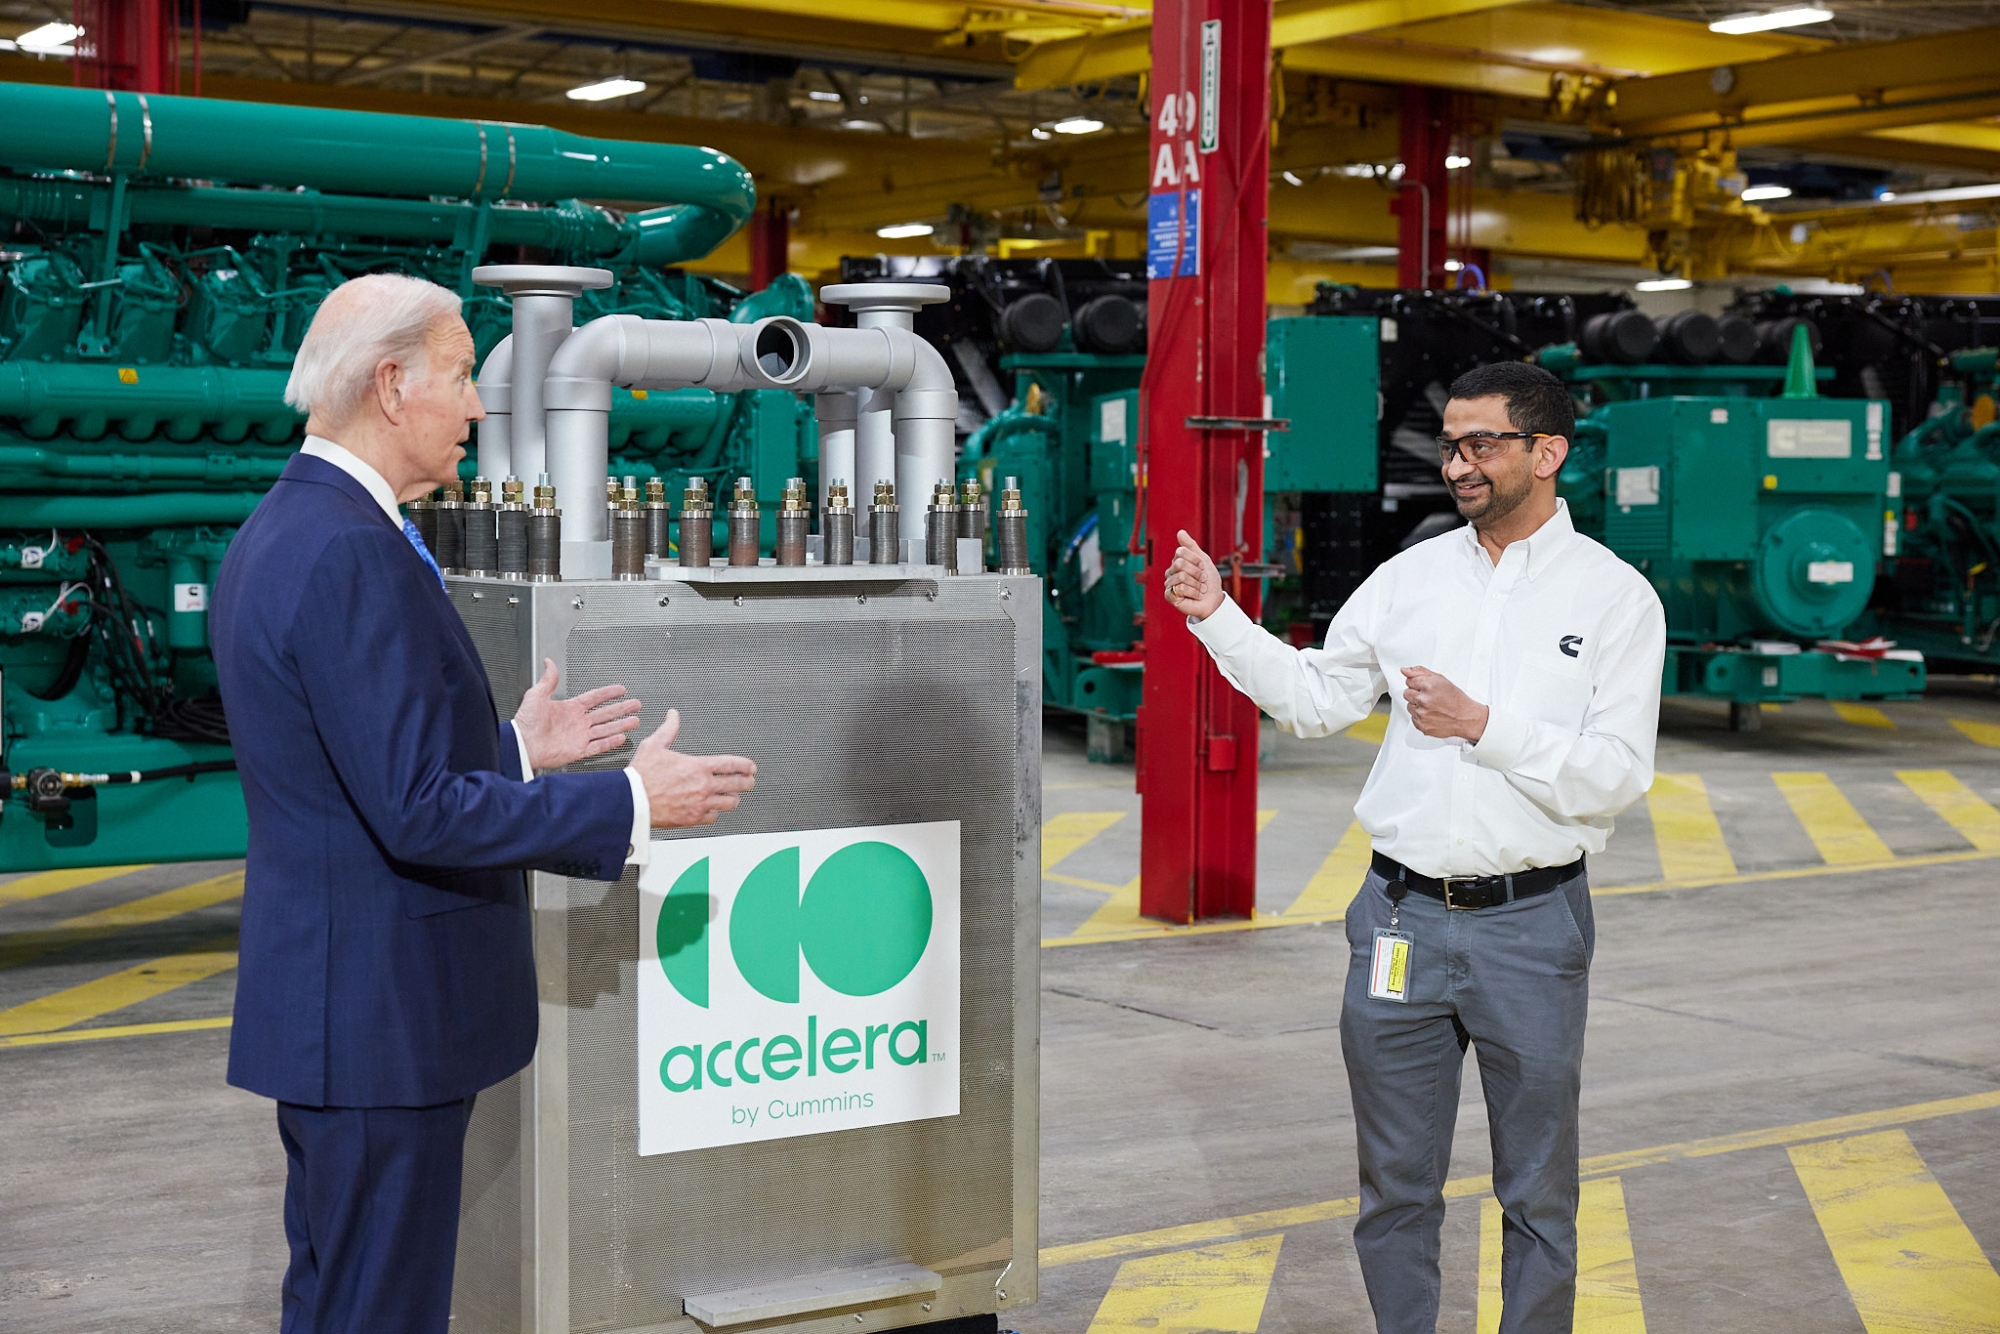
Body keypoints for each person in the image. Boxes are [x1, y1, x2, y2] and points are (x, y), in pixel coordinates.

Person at [210, 273, 758, 1334]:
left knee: (338, 1294)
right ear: (389, 384)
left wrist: (512, 745)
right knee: (380, 1308)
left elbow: (354, 766)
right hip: (381, 1021)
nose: (474, 406)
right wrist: (629, 802)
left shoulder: (288, 527)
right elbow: (417, 810)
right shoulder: (352, 550)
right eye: (461, 378)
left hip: (339, 1009)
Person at [1165, 360, 1665, 1333]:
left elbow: (1614, 772)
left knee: (1535, 1186)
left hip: (1529, 922)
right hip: (1394, 917)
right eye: (1448, 443)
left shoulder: (1613, 598)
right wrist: (1216, 615)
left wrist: (1485, 725)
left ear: (1547, 451)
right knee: (1393, 1182)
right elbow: (1317, 698)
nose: (1457, 462)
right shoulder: (1411, 578)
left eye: (1481, 442)